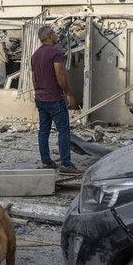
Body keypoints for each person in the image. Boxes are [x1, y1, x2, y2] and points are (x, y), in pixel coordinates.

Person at [31, 25, 82, 176]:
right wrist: (68, 93)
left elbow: (34, 79)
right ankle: (66, 164)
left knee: (43, 131)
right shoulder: (55, 52)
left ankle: (46, 162)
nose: (55, 35)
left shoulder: (35, 55)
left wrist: (39, 92)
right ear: (48, 36)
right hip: (54, 98)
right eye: (53, 33)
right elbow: (59, 73)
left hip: (40, 98)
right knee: (64, 130)